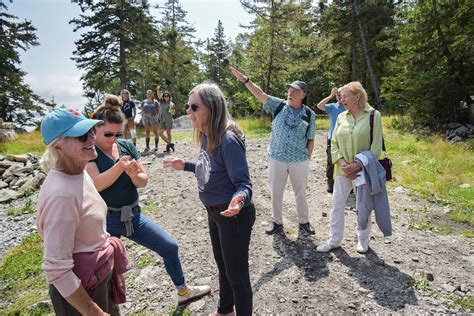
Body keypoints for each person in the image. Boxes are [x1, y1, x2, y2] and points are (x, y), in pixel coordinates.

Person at [85, 95, 210, 306]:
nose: (113, 139)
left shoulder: (126, 146)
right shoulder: (89, 152)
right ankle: (106, 307)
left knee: (169, 246)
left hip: (133, 215)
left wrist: (134, 174)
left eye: (117, 134)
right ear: (94, 129)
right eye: (107, 134)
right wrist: (120, 167)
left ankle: (183, 291)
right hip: (106, 220)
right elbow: (96, 184)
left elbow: (143, 181)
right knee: (106, 269)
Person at [163, 82, 255, 316]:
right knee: (223, 266)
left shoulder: (228, 140)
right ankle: (225, 311)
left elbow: (244, 185)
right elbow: (210, 169)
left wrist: (238, 200)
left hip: (232, 215)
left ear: (212, 109)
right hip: (215, 213)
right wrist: (185, 165)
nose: (188, 111)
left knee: (238, 276)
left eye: (194, 107)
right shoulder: (207, 135)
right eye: (187, 106)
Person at [37, 108, 129, 315]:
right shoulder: (61, 195)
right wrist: (93, 310)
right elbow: (57, 270)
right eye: (80, 136)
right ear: (58, 147)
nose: (90, 138)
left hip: (96, 277)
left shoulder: (79, 171)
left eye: (91, 131)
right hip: (82, 292)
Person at [230, 66, 316, 236]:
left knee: (301, 192)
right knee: (276, 191)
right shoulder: (279, 105)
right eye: (289, 90)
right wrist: (245, 80)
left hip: (299, 159)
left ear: (303, 95)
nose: (290, 93)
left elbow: (311, 138)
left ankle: (304, 222)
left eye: (295, 91)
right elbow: (260, 94)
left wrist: (307, 158)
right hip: (277, 157)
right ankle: (277, 222)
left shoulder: (309, 114)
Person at [316, 81, 386, 254]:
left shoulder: (373, 116)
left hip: (363, 170)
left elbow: (376, 147)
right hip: (342, 169)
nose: (342, 99)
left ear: (357, 96)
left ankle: (363, 240)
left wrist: (357, 165)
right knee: (337, 204)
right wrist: (341, 162)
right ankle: (334, 239)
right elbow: (334, 142)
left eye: (345, 95)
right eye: (340, 96)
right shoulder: (341, 116)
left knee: (363, 206)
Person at [315, 87, 346, 193]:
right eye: (338, 95)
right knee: (331, 161)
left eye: (341, 95)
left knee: (347, 159)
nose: (340, 97)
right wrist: (330, 96)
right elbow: (319, 106)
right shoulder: (333, 107)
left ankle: (347, 183)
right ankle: (331, 182)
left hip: (346, 139)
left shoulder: (350, 107)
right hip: (332, 138)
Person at [156, 85, 176, 152]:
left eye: (167, 96)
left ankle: (168, 147)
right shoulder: (162, 102)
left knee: (168, 133)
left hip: (168, 120)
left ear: (169, 97)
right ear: (163, 97)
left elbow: (173, 114)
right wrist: (158, 90)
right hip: (162, 120)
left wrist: (172, 110)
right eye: (165, 96)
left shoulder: (171, 104)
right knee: (160, 133)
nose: (166, 97)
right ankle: (170, 144)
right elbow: (159, 96)